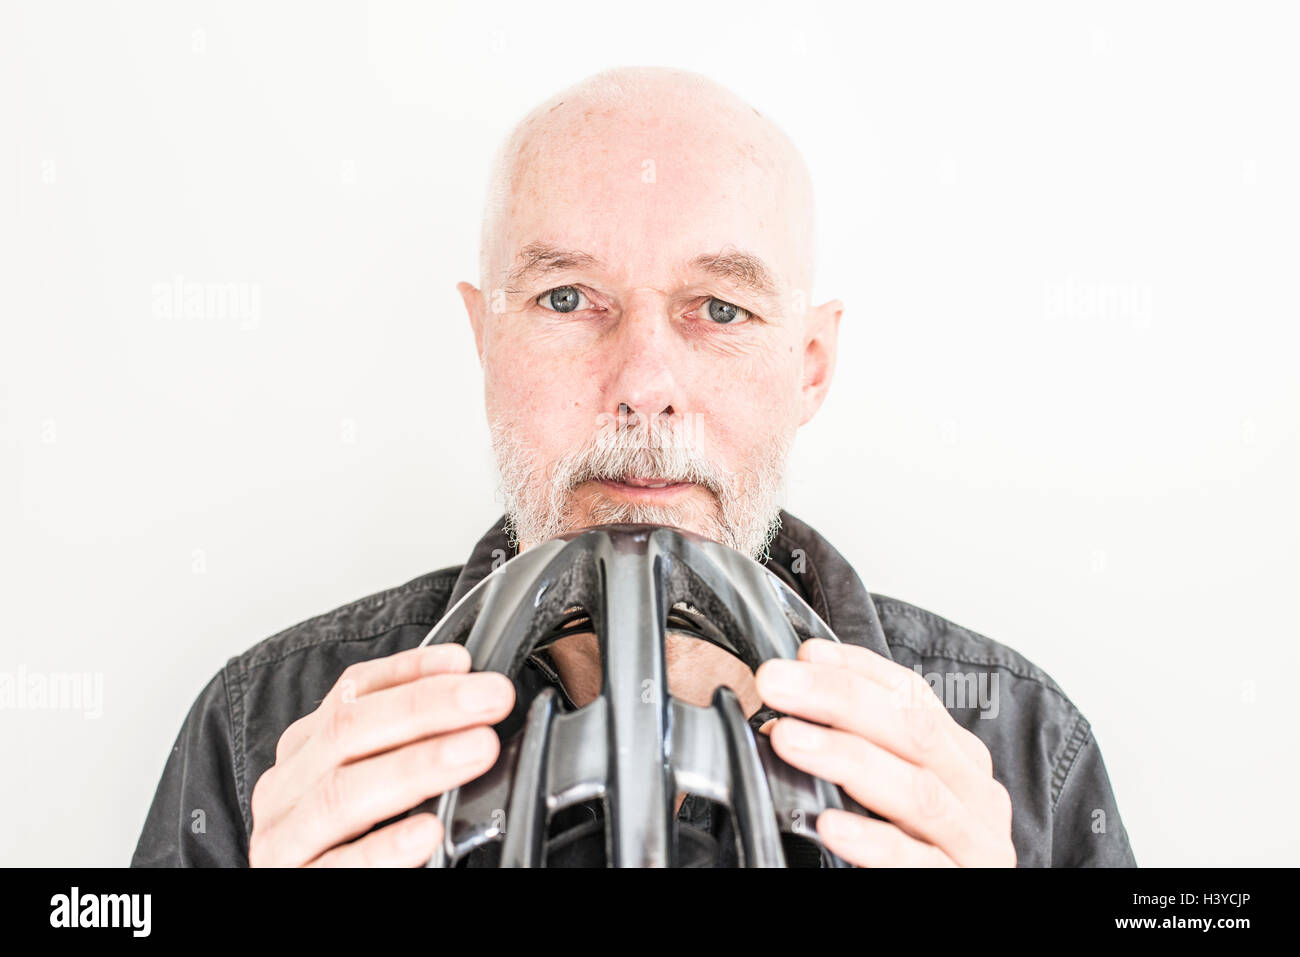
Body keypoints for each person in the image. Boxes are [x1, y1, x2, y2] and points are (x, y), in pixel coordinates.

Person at [131, 66, 1135, 868]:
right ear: (487, 343)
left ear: (809, 367)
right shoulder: (269, 731)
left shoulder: (1017, 747)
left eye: (722, 310)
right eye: (567, 299)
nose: (644, 386)